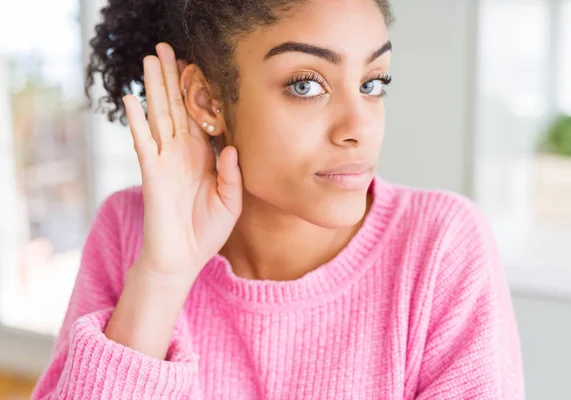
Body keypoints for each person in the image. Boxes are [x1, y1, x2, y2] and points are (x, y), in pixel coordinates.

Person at [31, 0, 525, 398]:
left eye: (373, 84)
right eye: (307, 85)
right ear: (207, 100)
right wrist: (162, 277)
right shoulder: (132, 230)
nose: (361, 129)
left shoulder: (440, 245)